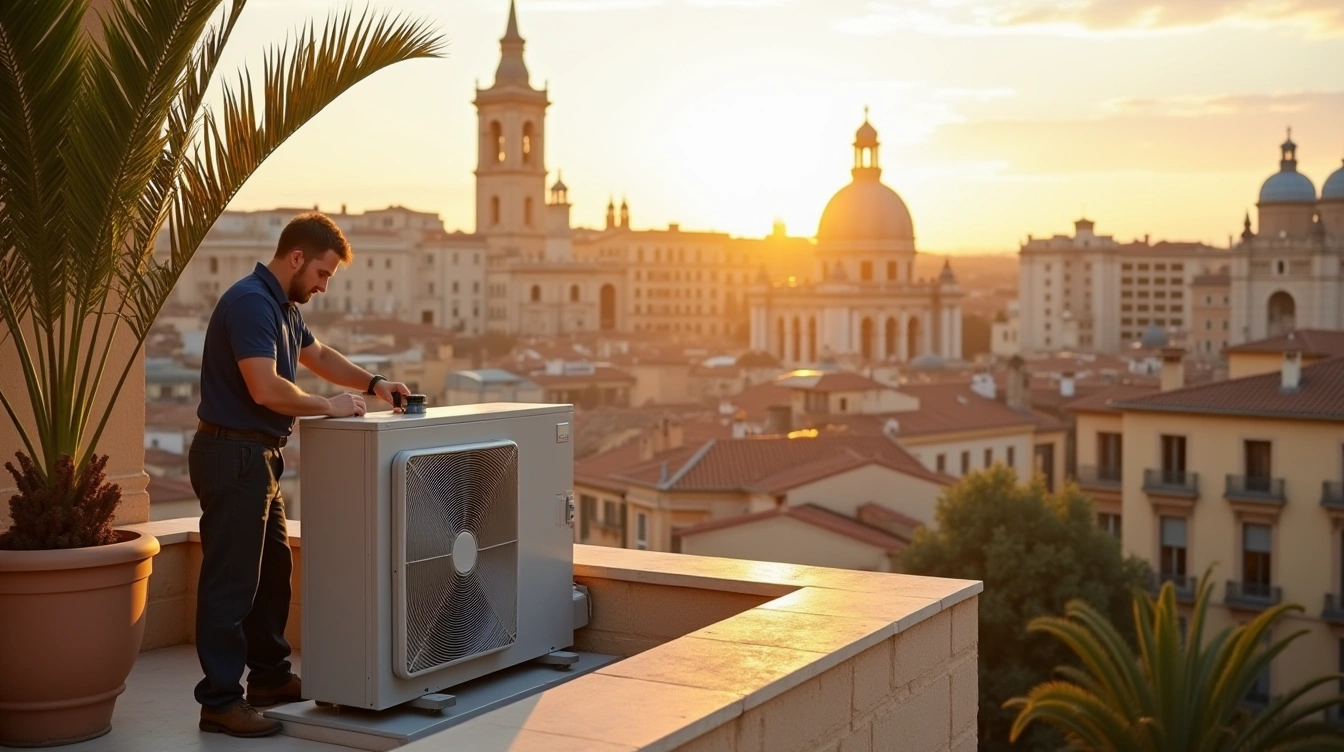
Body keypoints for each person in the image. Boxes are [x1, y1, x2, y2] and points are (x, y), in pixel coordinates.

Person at [190, 212, 409, 737]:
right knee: (232, 582)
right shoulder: (250, 303)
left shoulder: (282, 306)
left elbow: (318, 355)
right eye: (322, 273)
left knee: (272, 573)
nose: (324, 285)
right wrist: (327, 407)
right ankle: (219, 701)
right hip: (233, 454)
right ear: (296, 258)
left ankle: (268, 679)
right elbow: (265, 389)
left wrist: (375, 382)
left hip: (257, 456)